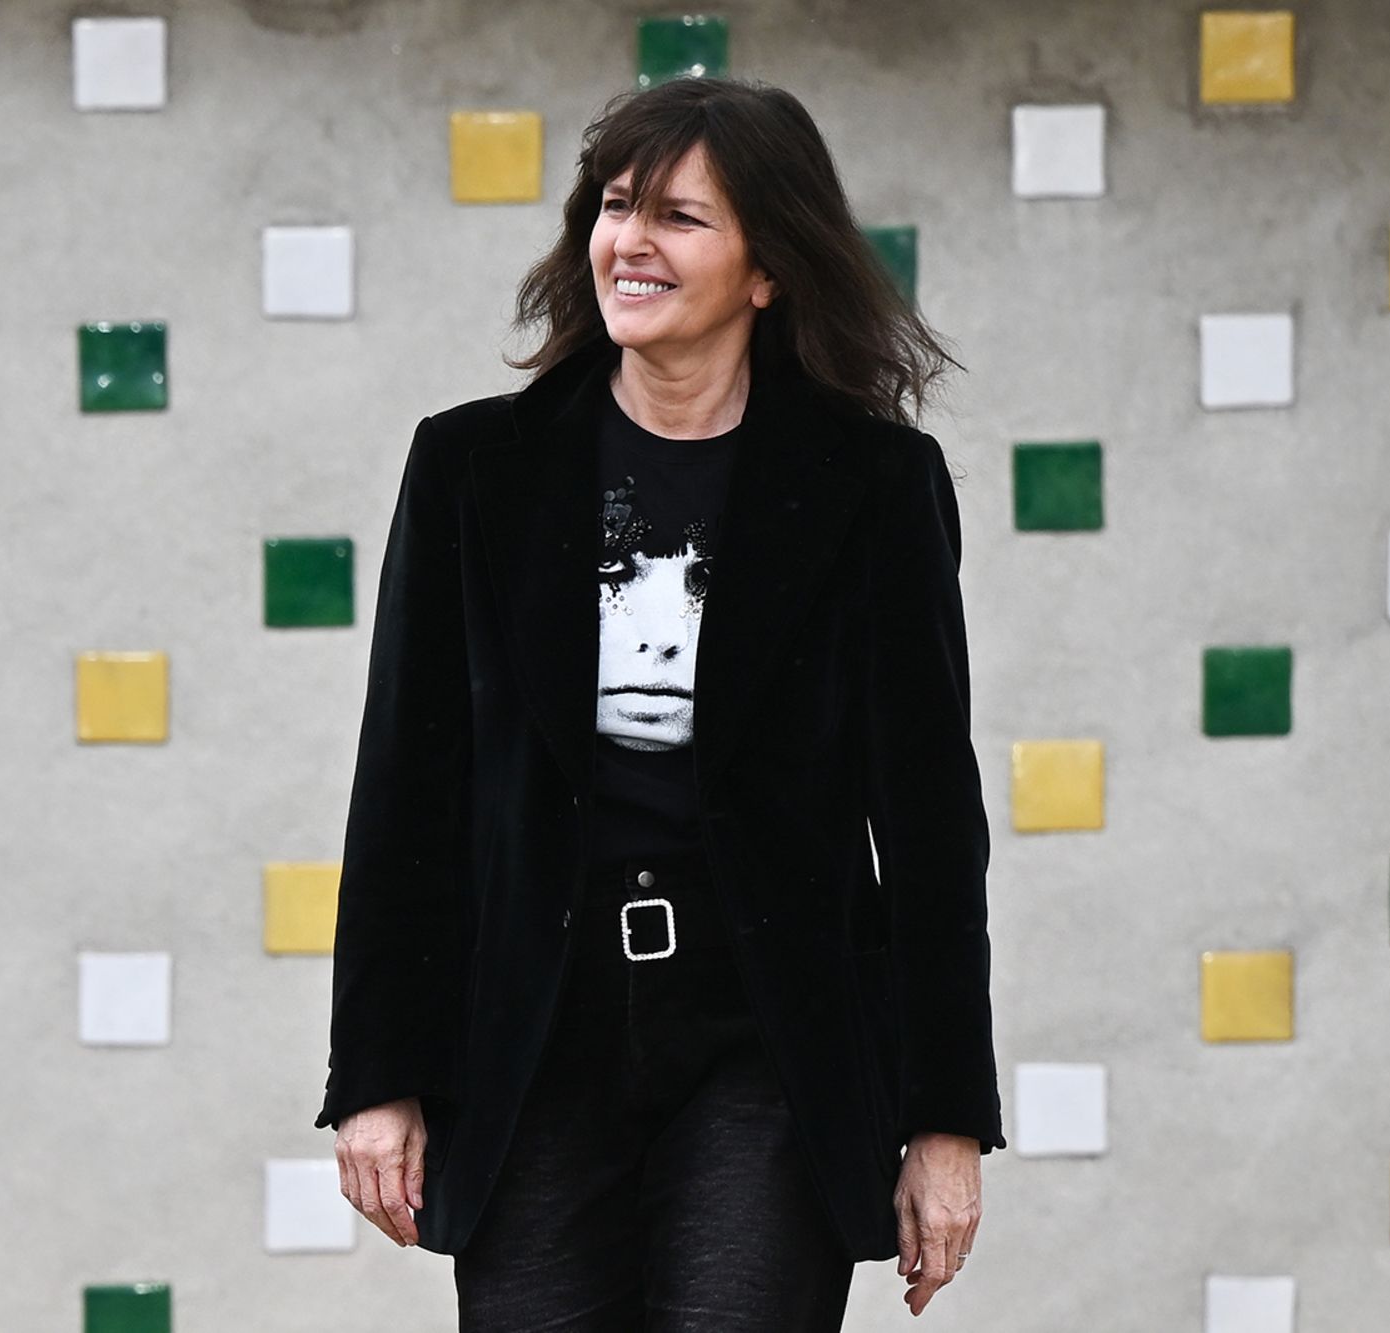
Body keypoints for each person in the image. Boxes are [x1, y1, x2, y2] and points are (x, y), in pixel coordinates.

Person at [316, 74, 1005, 1330]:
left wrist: (944, 1119)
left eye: (680, 217)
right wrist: (376, 1074)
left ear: (766, 270)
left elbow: (926, 823)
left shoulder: (869, 487)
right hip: (532, 1030)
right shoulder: (474, 468)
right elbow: (405, 789)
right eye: (615, 205)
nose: (629, 240)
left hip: (765, 1036)